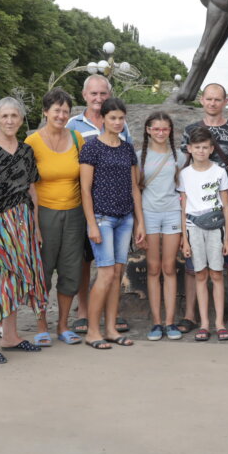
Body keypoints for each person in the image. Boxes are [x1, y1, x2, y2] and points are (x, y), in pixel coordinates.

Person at [178, 83, 228, 335]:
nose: (213, 103)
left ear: (225, 102)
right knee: (194, 265)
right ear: (202, 100)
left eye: (217, 99)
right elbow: (182, 167)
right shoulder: (190, 130)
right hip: (197, 206)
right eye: (209, 99)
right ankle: (190, 315)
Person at [0, 97, 48, 363]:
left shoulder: (27, 150)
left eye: (14, 116)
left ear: (21, 119)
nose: (9, 120)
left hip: (23, 221)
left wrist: (35, 227)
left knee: (15, 280)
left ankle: (10, 336)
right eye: (4, 116)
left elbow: (32, 189)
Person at [66, 73, 133, 334]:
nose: (98, 98)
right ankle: (85, 312)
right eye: (93, 93)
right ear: (84, 95)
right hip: (86, 204)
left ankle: (110, 318)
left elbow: (129, 167)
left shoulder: (122, 130)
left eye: (103, 93)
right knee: (86, 260)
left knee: (114, 268)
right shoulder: (73, 124)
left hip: (119, 208)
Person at [79, 97, 144, 349]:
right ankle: (92, 331)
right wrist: (92, 224)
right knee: (105, 274)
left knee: (117, 274)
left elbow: (134, 188)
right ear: (103, 119)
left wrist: (140, 223)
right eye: (113, 118)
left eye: (121, 118)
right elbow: (85, 190)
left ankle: (110, 329)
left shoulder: (127, 149)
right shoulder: (91, 148)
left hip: (125, 218)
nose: (117, 122)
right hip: (102, 218)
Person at [26, 89, 86, 346]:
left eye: (65, 111)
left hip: (74, 213)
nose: (61, 115)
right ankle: (41, 325)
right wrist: (34, 224)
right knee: (43, 269)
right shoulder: (32, 142)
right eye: (56, 110)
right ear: (45, 112)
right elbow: (27, 185)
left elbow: (86, 177)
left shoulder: (77, 138)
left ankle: (63, 325)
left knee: (71, 270)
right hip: (44, 213)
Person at [178, 126, 228, 341]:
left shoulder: (219, 172)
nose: (201, 151)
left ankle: (219, 323)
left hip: (216, 226)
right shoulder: (184, 174)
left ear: (211, 149)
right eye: (197, 147)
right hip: (193, 227)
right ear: (190, 149)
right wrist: (184, 239)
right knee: (200, 274)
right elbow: (182, 208)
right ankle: (204, 323)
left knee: (217, 274)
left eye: (205, 147)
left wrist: (226, 238)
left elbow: (226, 206)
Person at [138, 111, 185, 341]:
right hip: (149, 214)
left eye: (165, 129)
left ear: (170, 131)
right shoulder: (139, 157)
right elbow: (135, 190)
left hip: (172, 213)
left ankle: (170, 321)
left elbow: (184, 190)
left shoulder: (180, 157)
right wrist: (138, 222)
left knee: (169, 267)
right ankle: (157, 322)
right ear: (148, 130)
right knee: (153, 268)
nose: (160, 133)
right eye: (156, 128)